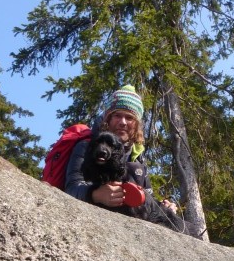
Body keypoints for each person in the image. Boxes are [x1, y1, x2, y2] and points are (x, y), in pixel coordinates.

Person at [65, 85, 200, 236]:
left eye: (129, 117)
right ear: (107, 119)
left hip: (135, 227)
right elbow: (71, 188)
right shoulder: (87, 147)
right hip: (95, 224)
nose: (123, 122)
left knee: (190, 230)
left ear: (136, 124)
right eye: (117, 115)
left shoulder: (137, 157)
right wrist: (95, 194)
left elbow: (146, 196)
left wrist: (163, 206)